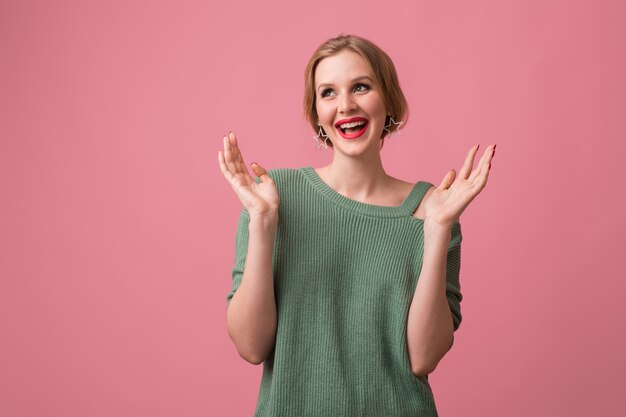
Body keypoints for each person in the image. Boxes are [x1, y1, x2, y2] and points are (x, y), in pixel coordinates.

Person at [218, 34, 495, 417]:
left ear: (388, 100)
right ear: (316, 112)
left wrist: (437, 230)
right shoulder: (272, 197)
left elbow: (423, 358)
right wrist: (263, 223)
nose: (345, 105)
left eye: (361, 87)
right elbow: (250, 346)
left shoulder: (433, 208)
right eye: (328, 93)